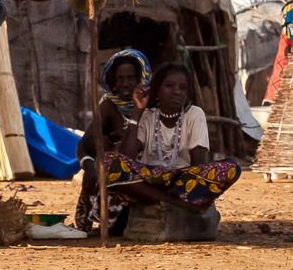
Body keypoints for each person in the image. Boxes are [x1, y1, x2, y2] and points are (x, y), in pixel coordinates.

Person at [84, 62, 241, 230]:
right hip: (148, 179)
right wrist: (137, 112)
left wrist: (190, 187)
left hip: (180, 182)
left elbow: (199, 166)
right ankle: (172, 203)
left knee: (231, 168)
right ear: (157, 89)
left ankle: (163, 200)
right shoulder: (147, 115)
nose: (176, 92)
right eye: (169, 86)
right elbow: (125, 159)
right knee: (107, 161)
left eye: (182, 88)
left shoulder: (195, 114)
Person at [74, 49, 151, 232]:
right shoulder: (109, 106)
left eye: (131, 78)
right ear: (113, 82)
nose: (126, 84)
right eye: (120, 79)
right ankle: (87, 215)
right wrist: (89, 165)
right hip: (115, 177)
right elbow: (84, 145)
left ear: (142, 78)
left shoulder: (153, 106)